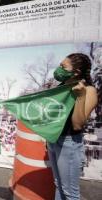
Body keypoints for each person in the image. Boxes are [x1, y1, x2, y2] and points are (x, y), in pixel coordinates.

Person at [48, 53, 98, 200]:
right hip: (53, 140)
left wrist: (81, 96)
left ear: (76, 72)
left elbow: (77, 124)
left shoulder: (89, 90)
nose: (59, 70)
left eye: (63, 67)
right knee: (59, 184)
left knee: (70, 193)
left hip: (69, 143)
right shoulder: (62, 87)